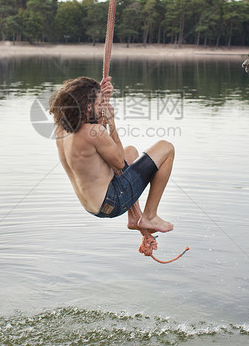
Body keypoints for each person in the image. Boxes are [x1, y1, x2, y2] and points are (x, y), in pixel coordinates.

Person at [49, 75, 174, 233]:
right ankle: (149, 216)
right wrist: (111, 123)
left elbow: (102, 149)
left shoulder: (61, 129)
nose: (102, 107)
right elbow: (120, 164)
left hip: (92, 206)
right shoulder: (94, 131)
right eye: (99, 104)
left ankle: (134, 217)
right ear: (87, 106)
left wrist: (100, 93)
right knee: (166, 148)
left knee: (131, 151)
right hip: (112, 202)